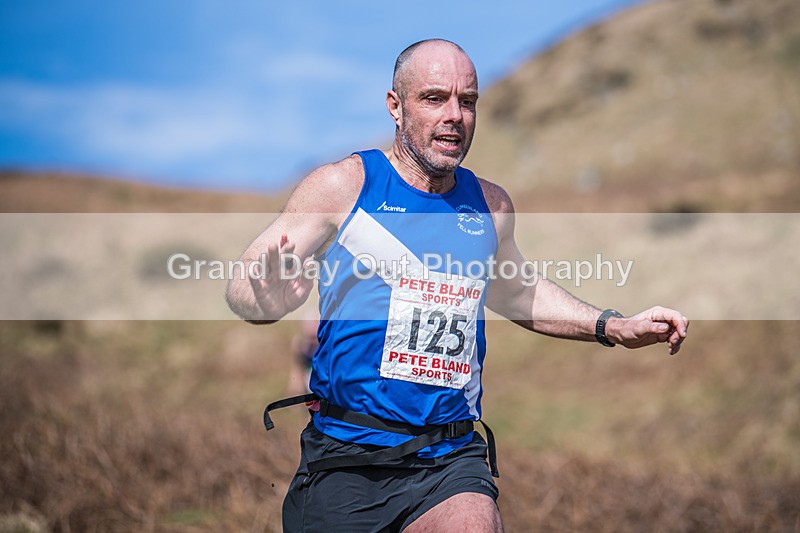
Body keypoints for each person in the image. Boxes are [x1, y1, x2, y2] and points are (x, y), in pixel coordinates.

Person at [226, 39, 689, 533]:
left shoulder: (489, 205)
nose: (454, 115)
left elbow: (516, 290)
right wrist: (263, 299)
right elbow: (243, 286)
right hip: (347, 456)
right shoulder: (344, 186)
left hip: (449, 456)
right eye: (433, 98)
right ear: (395, 106)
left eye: (466, 101)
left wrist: (613, 326)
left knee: (474, 522)